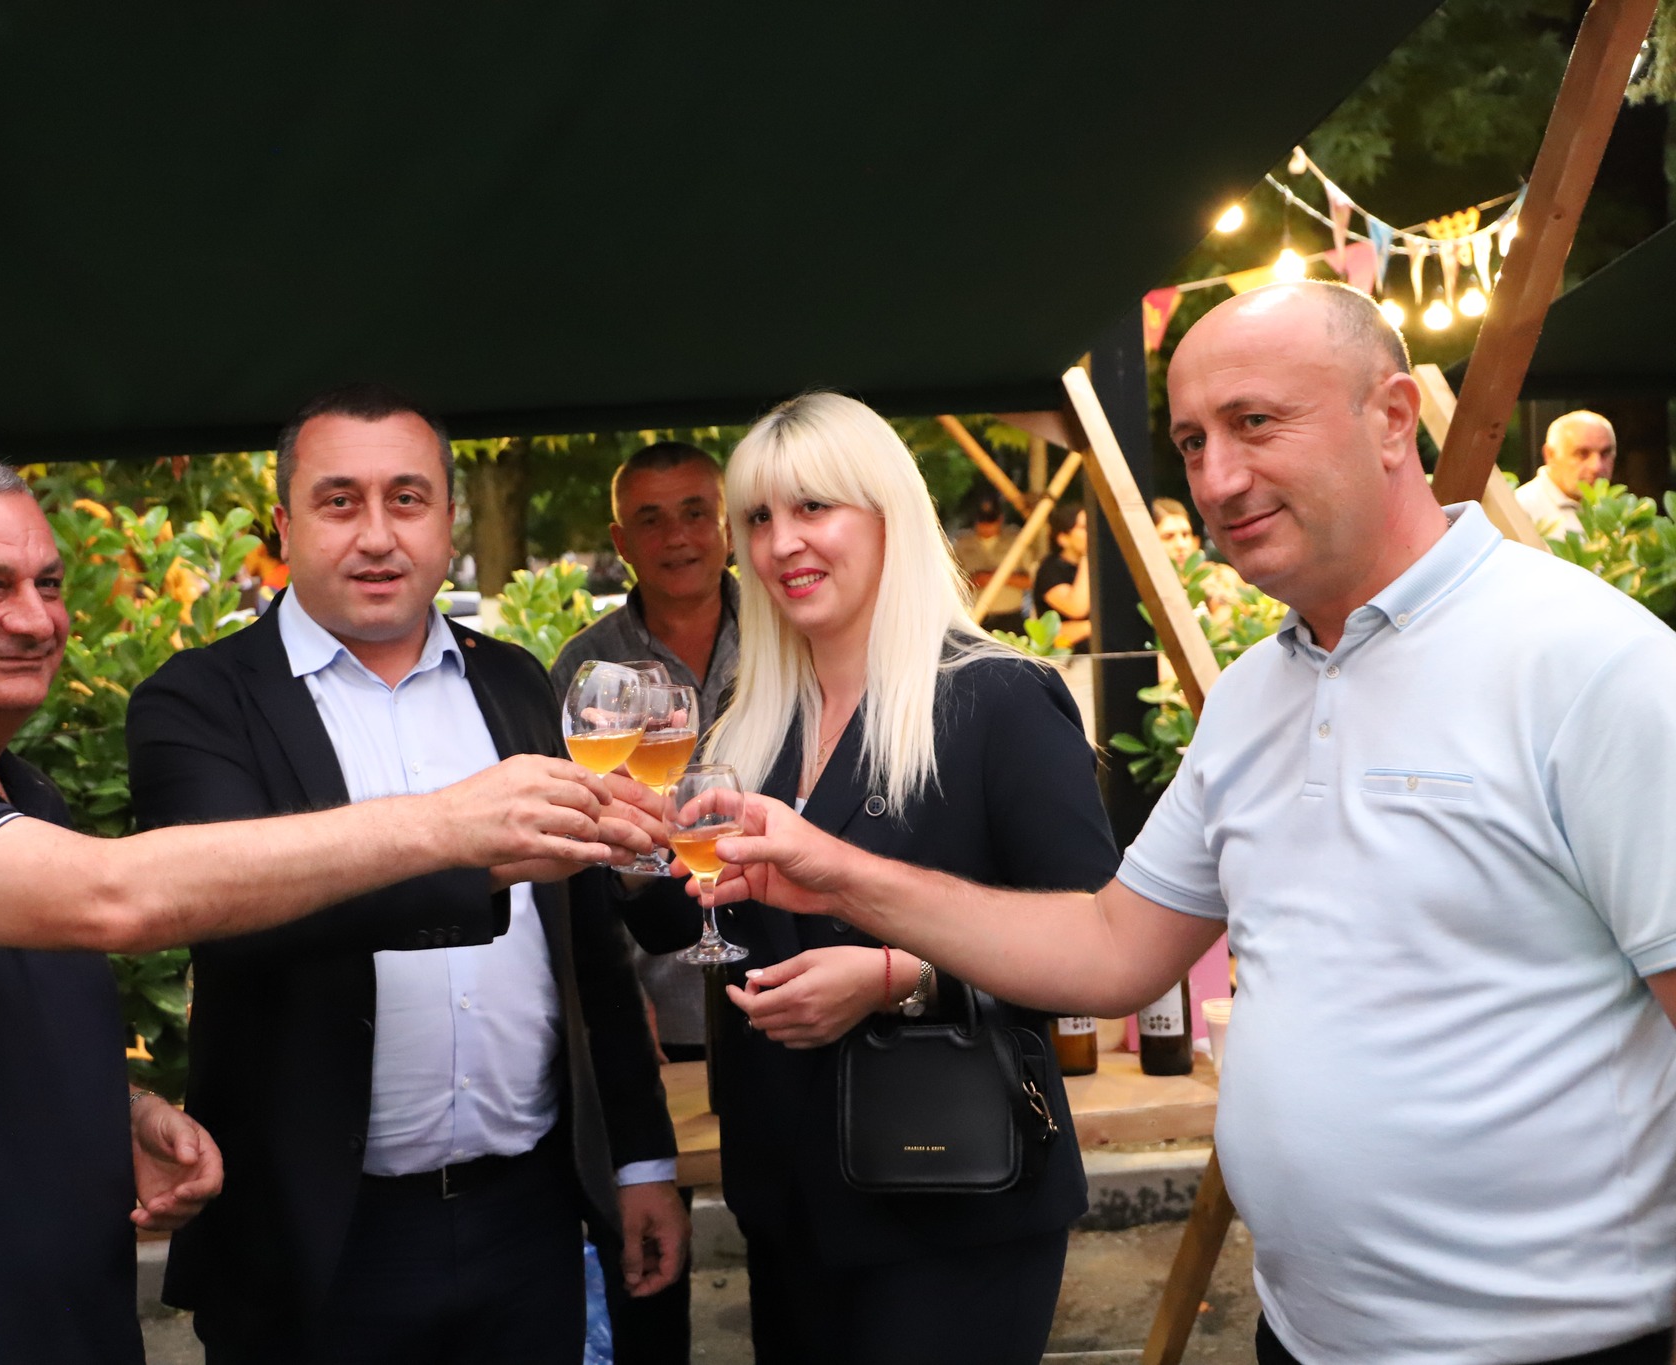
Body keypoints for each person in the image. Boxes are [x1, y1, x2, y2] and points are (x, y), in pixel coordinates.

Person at [684, 283, 1676, 1365]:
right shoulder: (1255, 694)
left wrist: (884, 962)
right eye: (1194, 441)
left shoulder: (1588, 663)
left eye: (1256, 423)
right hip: (1303, 1335)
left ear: (1394, 418)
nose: (1216, 477)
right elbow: (1110, 948)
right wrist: (834, 873)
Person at [0, 453, 637, 1365]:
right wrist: (446, 823)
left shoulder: (22, 794)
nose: (34, 618)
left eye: (48, 583)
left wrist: (120, 1109)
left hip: (64, 1320)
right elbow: (116, 896)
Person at [126, 384, 686, 1365]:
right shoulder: (200, 701)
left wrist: (639, 1160)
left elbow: (586, 948)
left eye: (408, 498)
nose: (378, 535)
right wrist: (470, 849)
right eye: (340, 501)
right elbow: (230, 911)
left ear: (449, 520)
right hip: (316, 1238)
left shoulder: (514, 680)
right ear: (284, 524)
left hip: (526, 1220)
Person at [615, 392, 1120, 1365]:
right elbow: (690, 929)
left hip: (948, 1191)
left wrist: (902, 977)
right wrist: (637, 852)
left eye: (815, 507)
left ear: (890, 515)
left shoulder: (997, 700)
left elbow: (1095, 949)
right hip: (785, 1199)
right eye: (759, 517)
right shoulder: (751, 720)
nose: (782, 542)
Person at [548, 439, 739, 1364]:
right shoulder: (585, 667)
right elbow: (575, 860)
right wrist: (616, 1008)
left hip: (781, 989)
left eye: (696, 511)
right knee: (647, 1259)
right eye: (652, 519)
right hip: (655, 1015)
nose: (678, 536)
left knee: (800, 1246)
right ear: (622, 541)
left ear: (726, 523)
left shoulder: (792, 635)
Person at [1515, 408, 1617, 539]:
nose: (1596, 467)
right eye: (1582, 453)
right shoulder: (1520, 509)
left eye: (1605, 453)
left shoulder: (1619, 510)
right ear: (1550, 455)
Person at [1152, 496, 1246, 618]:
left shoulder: (1219, 575)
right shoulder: (1148, 589)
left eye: (1185, 534)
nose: (1181, 545)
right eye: (1168, 537)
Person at [950, 491, 1029, 634]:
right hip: (977, 616)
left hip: (1011, 616)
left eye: (990, 522)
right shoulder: (962, 544)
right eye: (982, 522)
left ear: (1000, 519)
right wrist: (974, 581)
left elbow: (1031, 581)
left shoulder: (1016, 541)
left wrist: (995, 578)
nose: (986, 527)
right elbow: (952, 584)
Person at [1031, 501, 1091, 646]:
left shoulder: (1101, 565)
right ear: (1063, 538)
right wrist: (1087, 556)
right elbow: (1077, 608)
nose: (1091, 532)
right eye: (1084, 527)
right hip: (1068, 655)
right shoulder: (1050, 569)